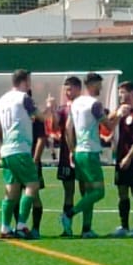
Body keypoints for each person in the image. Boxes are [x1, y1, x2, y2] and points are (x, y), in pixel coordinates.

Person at [0, 70, 43, 239]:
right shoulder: (23, 98)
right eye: (29, 81)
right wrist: (49, 109)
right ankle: (21, 225)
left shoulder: (1, 100)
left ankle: (5, 228)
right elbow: (40, 117)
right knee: (32, 185)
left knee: (11, 191)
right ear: (24, 81)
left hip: (6, 150)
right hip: (21, 148)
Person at [65, 72, 109, 238]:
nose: (101, 88)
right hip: (90, 152)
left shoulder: (75, 103)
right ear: (93, 84)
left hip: (79, 151)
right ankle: (69, 214)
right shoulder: (94, 104)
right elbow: (108, 125)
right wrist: (118, 115)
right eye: (99, 85)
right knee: (98, 192)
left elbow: (68, 129)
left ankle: (86, 229)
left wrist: (71, 150)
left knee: (89, 192)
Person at [111, 81, 133, 237]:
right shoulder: (118, 111)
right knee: (122, 192)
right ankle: (123, 226)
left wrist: (128, 157)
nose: (120, 95)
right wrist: (118, 114)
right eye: (119, 92)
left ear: (131, 93)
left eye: (123, 92)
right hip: (119, 157)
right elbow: (107, 123)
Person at [53, 76, 82, 236]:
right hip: (66, 155)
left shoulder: (85, 106)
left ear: (78, 89)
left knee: (86, 190)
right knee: (68, 191)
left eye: (70, 89)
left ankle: (86, 227)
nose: (67, 92)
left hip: (83, 153)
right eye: (66, 89)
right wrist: (51, 110)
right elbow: (56, 126)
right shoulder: (62, 109)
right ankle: (67, 227)